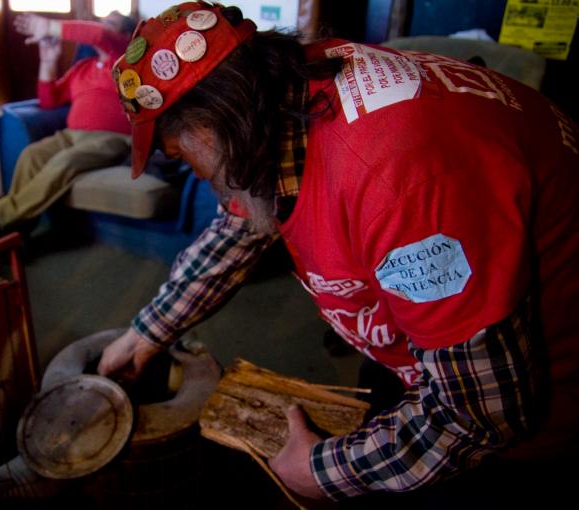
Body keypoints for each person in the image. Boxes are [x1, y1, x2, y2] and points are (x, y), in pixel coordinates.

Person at [96, 2, 579, 505]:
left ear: (217, 122)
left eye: (176, 146)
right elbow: (237, 227)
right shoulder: (287, 90)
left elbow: (482, 412)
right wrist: (146, 332)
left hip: (528, 420)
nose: (179, 160)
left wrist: (321, 471)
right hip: (416, 348)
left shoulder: (400, 179)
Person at [0, 11, 136, 230]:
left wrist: (48, 26)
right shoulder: (82, 68)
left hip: (111, 139)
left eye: (111, 24)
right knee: (31, 155)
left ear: (126, 35)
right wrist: (48, 61)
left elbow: (99, 35)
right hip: (70, 136)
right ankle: (17, 229)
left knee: (64, 162)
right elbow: (49, 101)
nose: (103, 26)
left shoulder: (126, 61)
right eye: (102, 22)